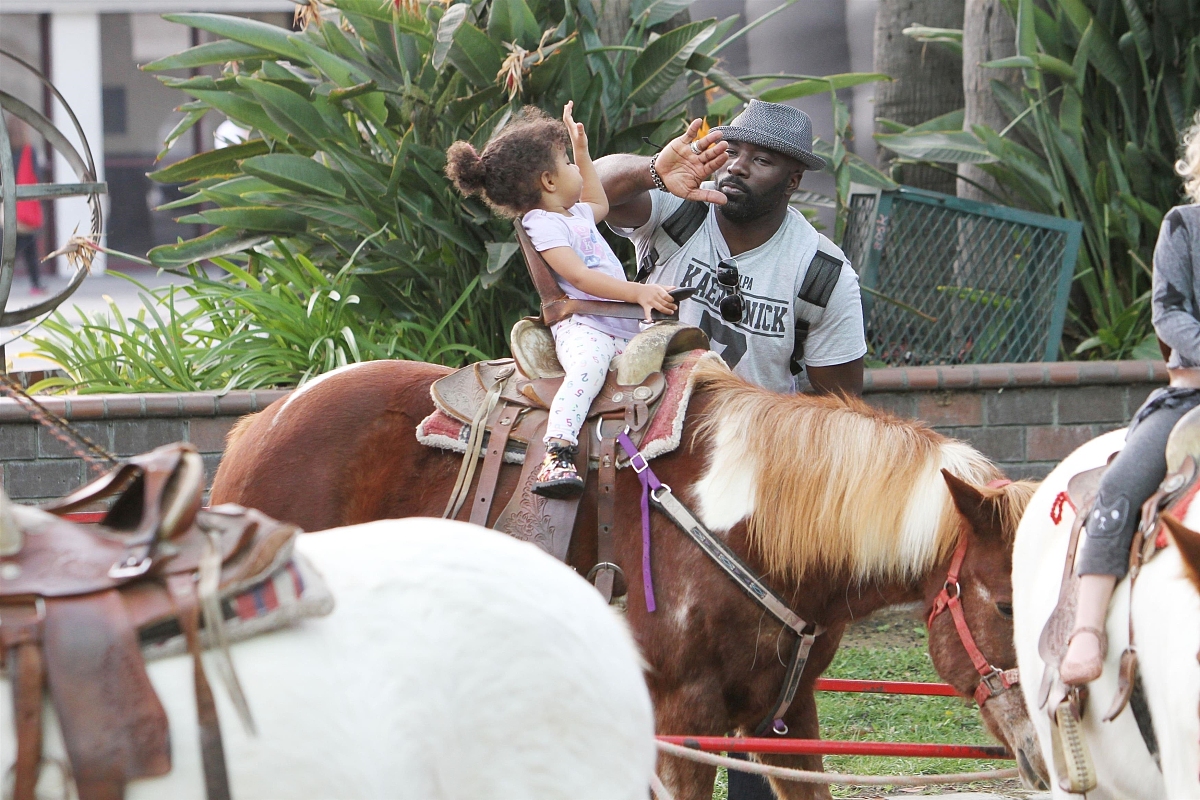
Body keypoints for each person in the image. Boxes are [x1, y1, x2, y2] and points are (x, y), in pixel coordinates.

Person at [445, 104, 677, 498]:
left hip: (618, 324)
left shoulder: (575, 215)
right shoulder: (543, 223)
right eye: (567, 163)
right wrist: (638, 292)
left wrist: (582, 153)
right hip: (584, 327)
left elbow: (600, 203)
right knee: (586, 371)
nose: (576, 170)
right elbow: (579, 276)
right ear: (549, 181)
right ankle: (558, 451)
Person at [1059, 110, 1200, 684]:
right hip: (1193, 400)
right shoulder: (1184, 227)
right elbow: (1169, 312)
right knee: (1120, 485)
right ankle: (1088, 629)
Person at [597, 100, 866, 397]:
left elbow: (842, 399)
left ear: (792, 181)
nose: (737, 167)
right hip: (643, 417)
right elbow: (587, 189)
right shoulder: (677, 207)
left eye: (762, 160)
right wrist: (653, 170)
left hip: (749, 436)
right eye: (732, 151)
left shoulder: (822, 273)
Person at [6, 117, 45, 295]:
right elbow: (35, 176)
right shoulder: (30, 152)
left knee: (4, 253)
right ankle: (36, 285)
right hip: (25, 212)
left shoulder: (4, 151)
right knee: (30, 252)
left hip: (6, 212)